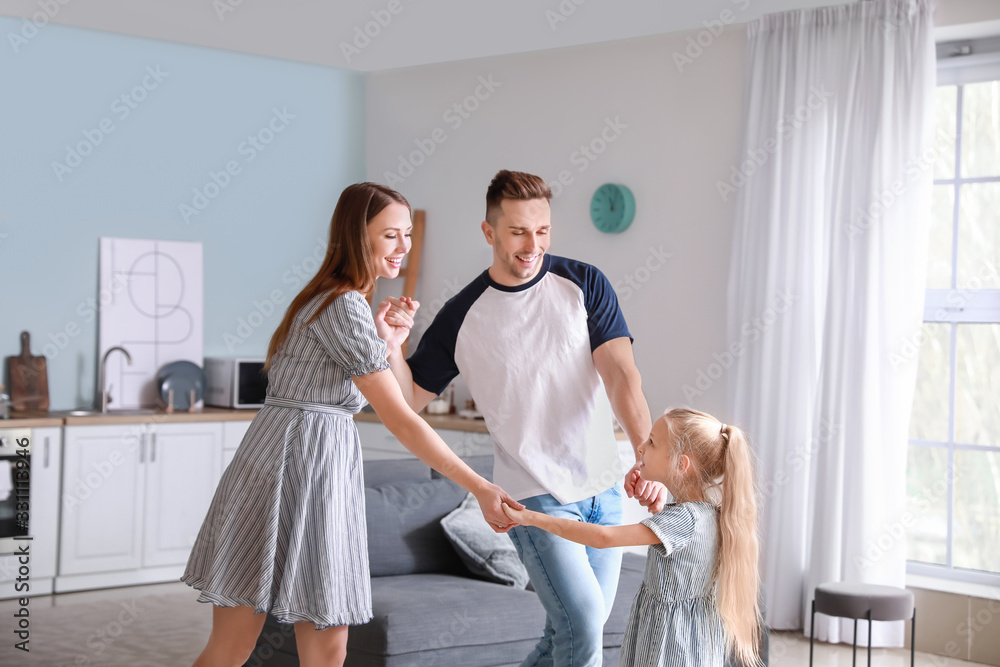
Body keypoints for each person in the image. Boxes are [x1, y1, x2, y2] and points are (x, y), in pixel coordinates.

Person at [181, 182, 522, 667]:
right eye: (390, 236)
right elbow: (402, 421)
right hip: (299, 470)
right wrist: (480, 486)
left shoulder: (325, 299)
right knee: (314, 647)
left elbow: (402, 402)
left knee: (241, 646)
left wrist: (390, 343)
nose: (404, 247)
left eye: (407, 234)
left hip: (284, 467)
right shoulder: (343, 306)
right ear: (356, 237)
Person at [376, 169, 668, 667]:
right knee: (581, 629)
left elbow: (621, 376)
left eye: (543, 230)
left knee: (571, 632)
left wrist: (646, 456)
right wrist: (391, 345)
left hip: (604, 489)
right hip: (533, 495)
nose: (532, 244)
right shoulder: (463, 314)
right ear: (489, 232)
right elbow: (408, 400)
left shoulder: (583, 283)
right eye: (517, 232)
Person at [503, 408, 762, 667]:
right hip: (692, 639)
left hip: (670, 644)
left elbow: (603, 538)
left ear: (681, 465)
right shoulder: (709, 515)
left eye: (652, 443)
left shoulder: (683, 520)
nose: (640, 448)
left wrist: (531, 518)